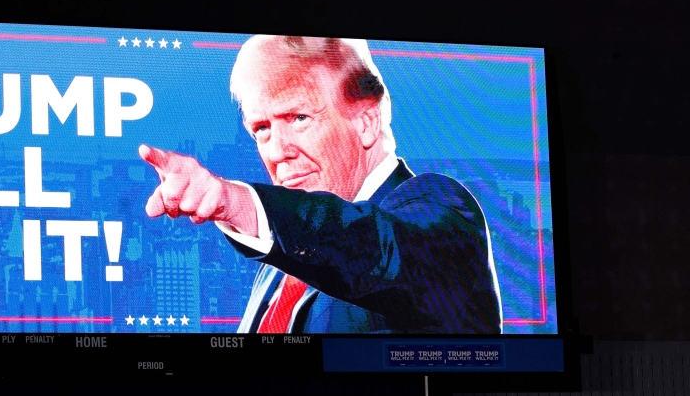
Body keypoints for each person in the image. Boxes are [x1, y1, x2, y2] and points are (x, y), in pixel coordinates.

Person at [137, 35, 502, 334]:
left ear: (367, 122)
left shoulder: (439, 209)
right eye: (261, 129)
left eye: (298, 117)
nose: (277, 152)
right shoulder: (280, 263)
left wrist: (237, 203)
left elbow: (375, 250)